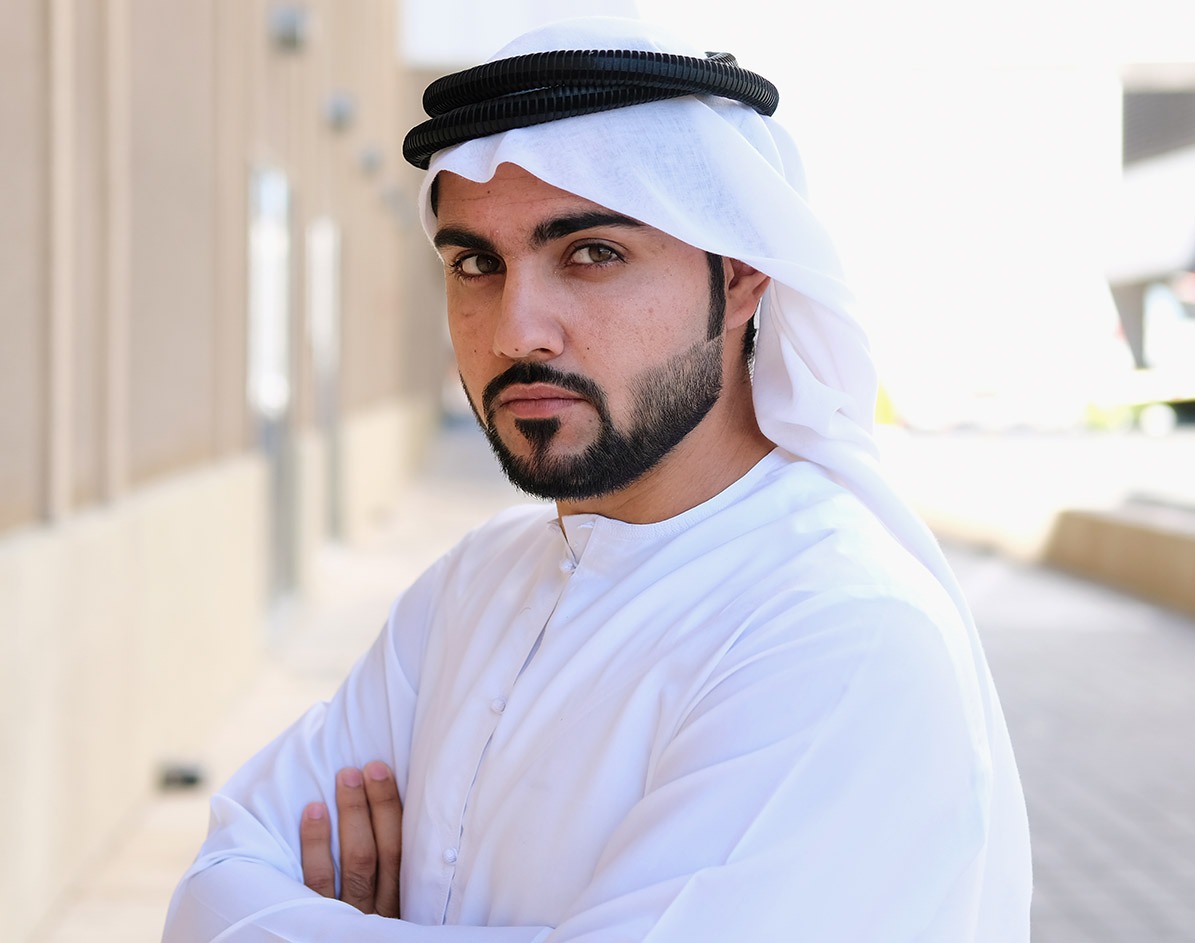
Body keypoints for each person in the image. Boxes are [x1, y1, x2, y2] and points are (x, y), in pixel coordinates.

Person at [163, 15, 1030, 942]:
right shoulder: (474, 584)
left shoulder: (838, 627)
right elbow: (212, 890)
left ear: (740, 276)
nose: (515, 330)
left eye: (592, 254)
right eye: (476, 264)